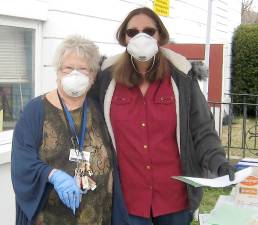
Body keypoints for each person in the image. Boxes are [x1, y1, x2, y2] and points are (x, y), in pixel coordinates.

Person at [93, 7, 235, 225]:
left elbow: (202, 130)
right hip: (128, 202)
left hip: (175, 200)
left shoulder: (181, 78)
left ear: (160, 36)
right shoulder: (105, 79)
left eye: (149, 31)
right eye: (133, 32)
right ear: (124, 37)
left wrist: (219, 162)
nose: (141, 37)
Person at [11, 35, 114, 225]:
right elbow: (21, 162)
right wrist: (52, 175)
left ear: (92, 77)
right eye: (68, 68)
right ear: (58, 72)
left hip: (97, 217)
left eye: (83, 69)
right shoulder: (35, 111)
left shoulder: (99, 110)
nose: (75, 74)